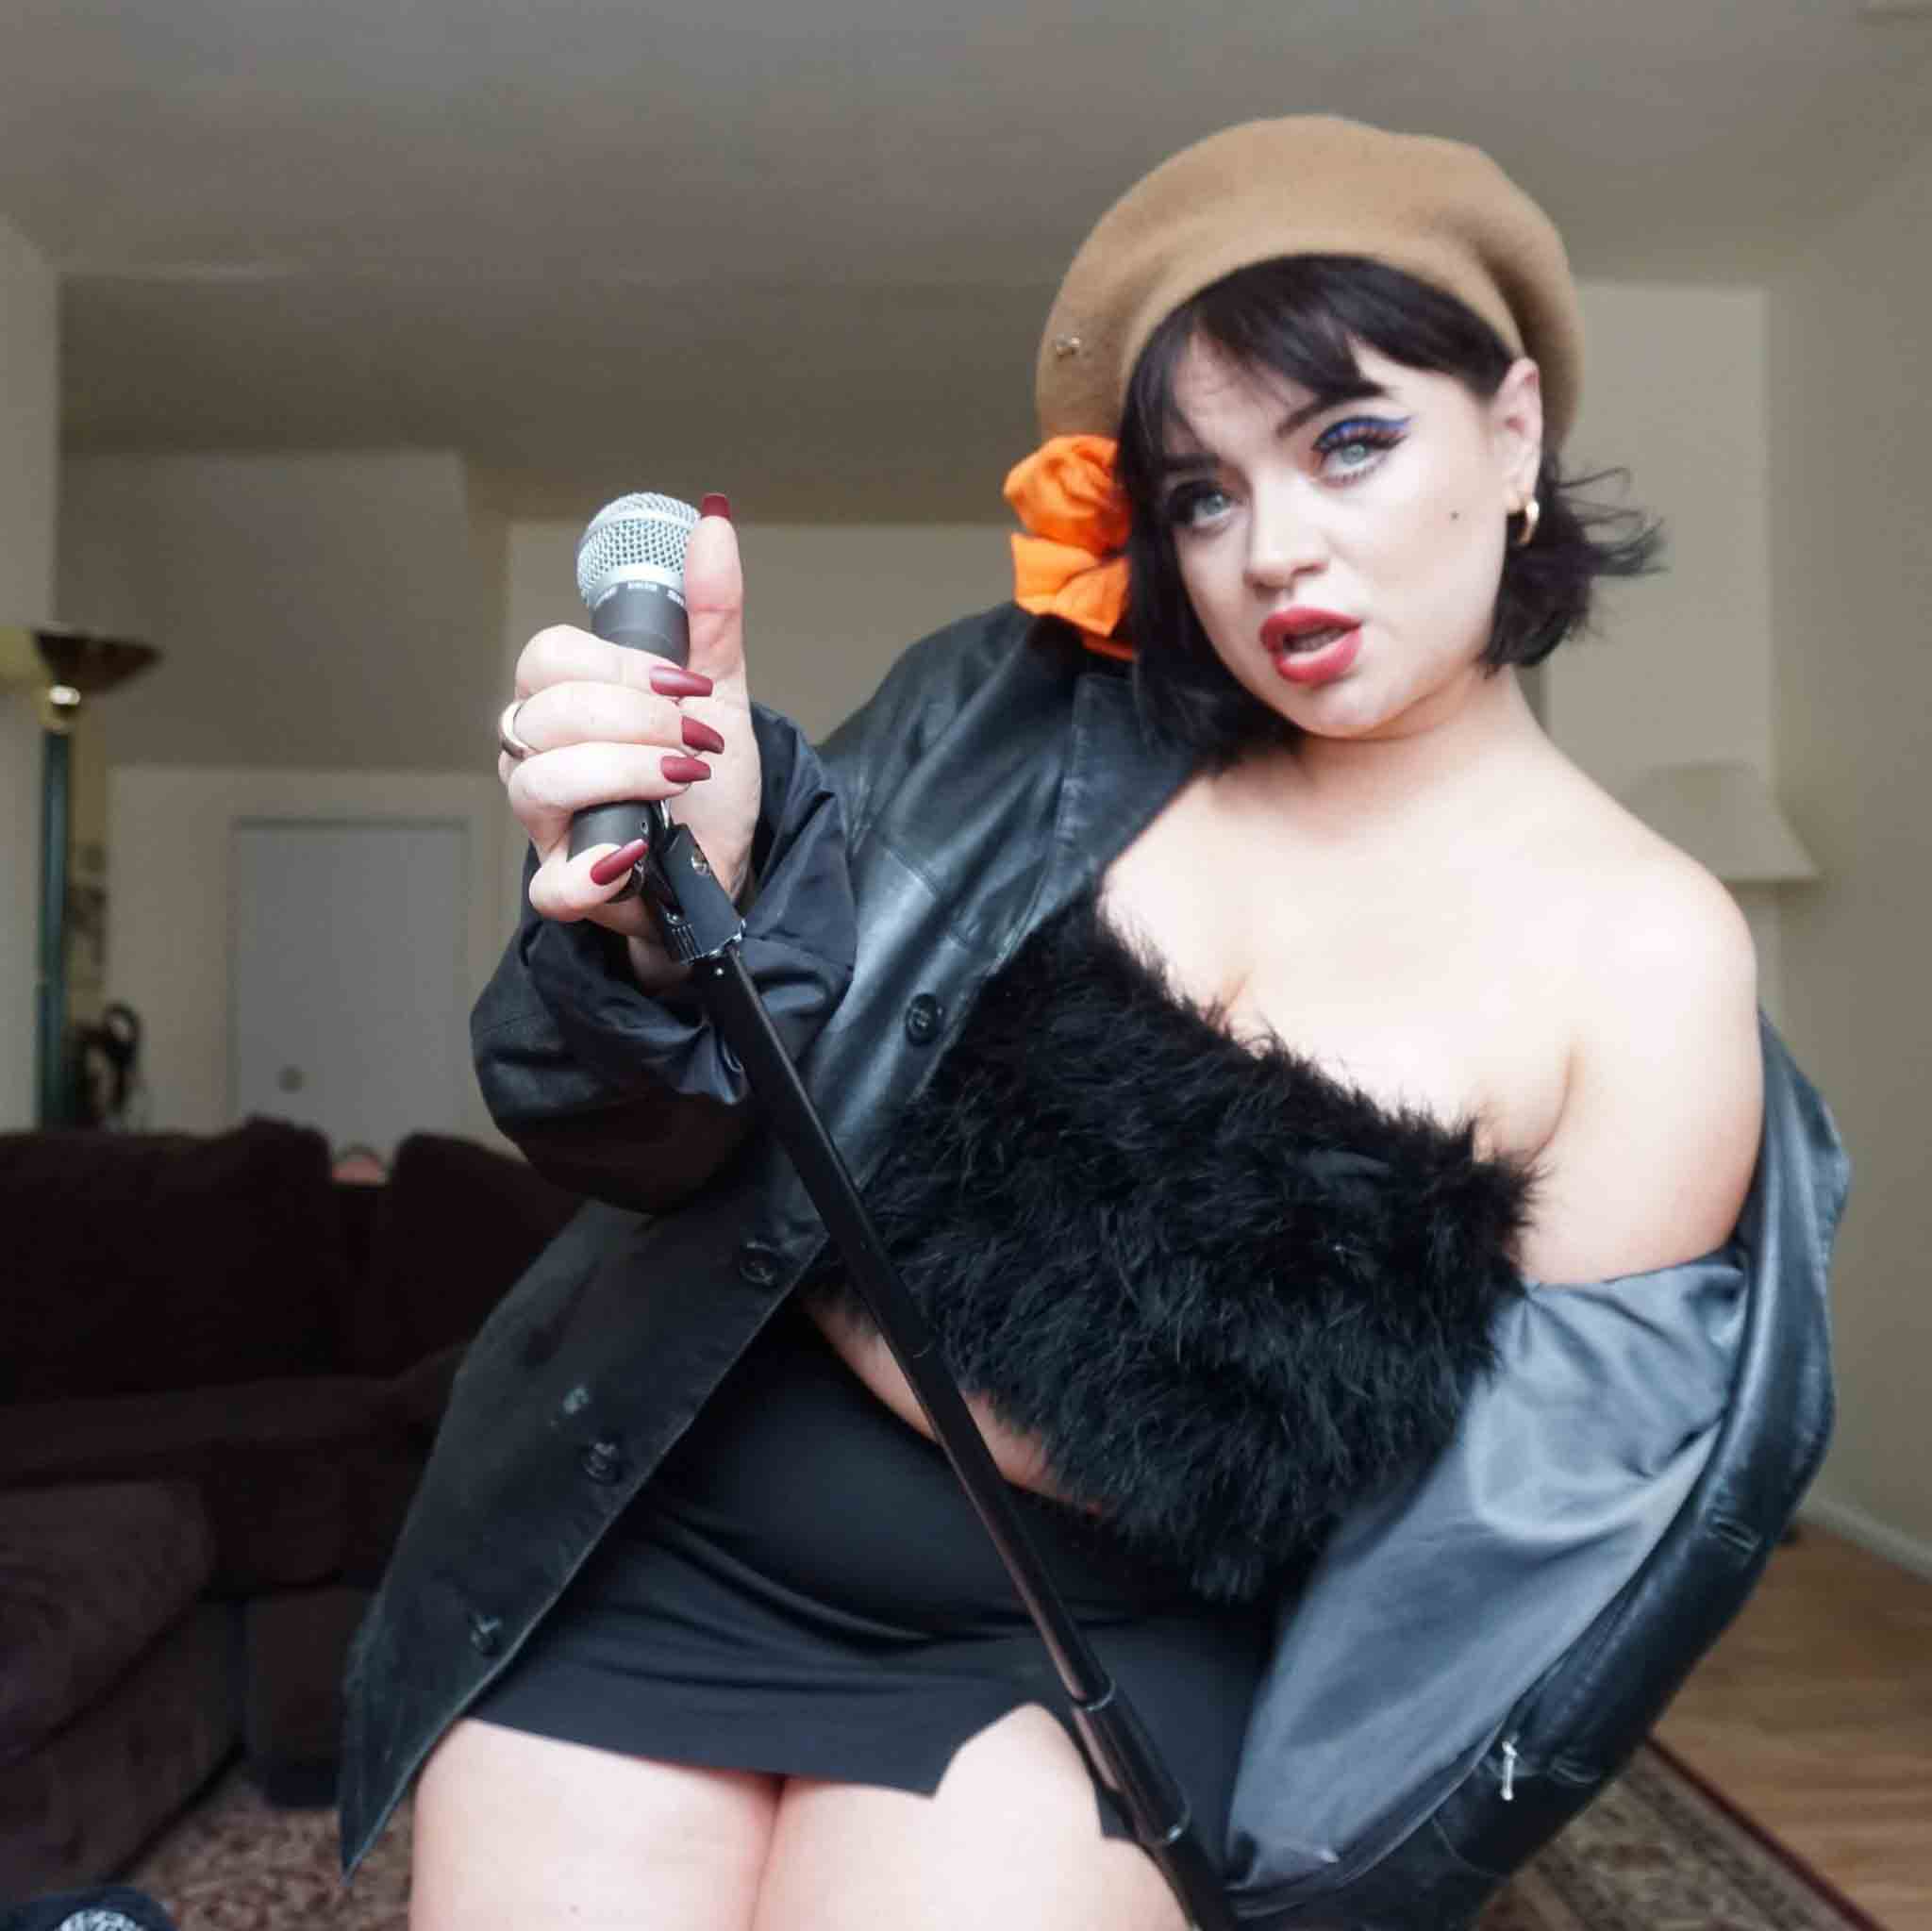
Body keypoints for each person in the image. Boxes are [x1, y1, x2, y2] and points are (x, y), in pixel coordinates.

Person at [339, 118, 1785, 1929]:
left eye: (1349, 443)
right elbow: (630, 1134)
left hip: (1085, 1661)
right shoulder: (1003, 714)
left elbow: (1485, 1575)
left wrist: (866, 1217)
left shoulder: (1652, 959)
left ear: (1511, 434)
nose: (1275, 551)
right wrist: (675, 916)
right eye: (1202, 494)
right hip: (669, 1540)